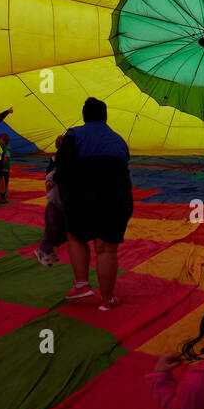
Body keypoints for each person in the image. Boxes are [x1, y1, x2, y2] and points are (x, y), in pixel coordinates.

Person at [57, 97, 132, 310]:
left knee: (75, 236)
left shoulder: (74, 134)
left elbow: (62, 168)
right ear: (105, 116)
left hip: (83, 197)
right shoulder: (119, 140)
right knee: (106, 248)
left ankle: (81, 284)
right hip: (117, 198)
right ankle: (107, 301)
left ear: (84, 116)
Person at [34, 136, 66, 266]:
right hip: (55, 199)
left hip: (61, 198)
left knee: (60, 228)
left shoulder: (64, 157)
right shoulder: (58, 158)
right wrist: (49, 181)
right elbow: (51, 172)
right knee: (52, 227)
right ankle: (42, 251)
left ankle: (50, 250)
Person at [0, 130, 11, 200]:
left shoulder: (7, 149)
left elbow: (6, 158)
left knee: (5, 180)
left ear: (4, 140)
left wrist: (1, 164)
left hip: (5, 167)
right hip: (1, 167)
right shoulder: (0, 148)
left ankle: (6, 191)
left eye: (0, 139)